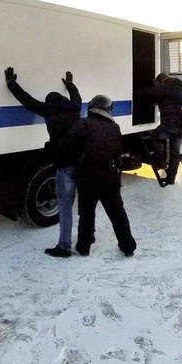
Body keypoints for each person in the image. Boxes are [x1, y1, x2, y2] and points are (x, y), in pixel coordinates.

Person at [4, 67, 82, 258]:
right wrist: (70, 82)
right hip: (81, 161)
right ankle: (86, 238)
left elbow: (26, 99)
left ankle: (64, 247)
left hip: (64, 165)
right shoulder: (74, 107)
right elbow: (76, 95)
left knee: (64, 207)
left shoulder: (48, 110)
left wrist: (11, 82)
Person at [57, 94, 137, 257]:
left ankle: (84, 247)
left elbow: (65, 145)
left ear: (92, 107)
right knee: (117, 212)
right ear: (108, 109)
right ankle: (128, 246)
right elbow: (118, 150)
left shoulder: (83, 124)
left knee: (87, 213)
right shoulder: (115, 127)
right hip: (112, 175)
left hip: (89, 176)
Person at [141, 73, 182, 185]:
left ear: (160, 81)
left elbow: (150, 94)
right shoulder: (178, 87)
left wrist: (134, 91)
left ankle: (161, 162)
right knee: (175, 152)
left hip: (171, 124)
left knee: (155, 137)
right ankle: (171, 178)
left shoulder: (166, 87)